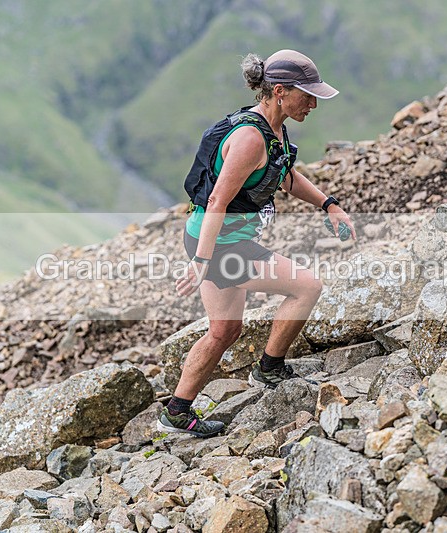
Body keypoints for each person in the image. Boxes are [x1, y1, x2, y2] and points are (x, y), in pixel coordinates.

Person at [158, 49, 356, 438]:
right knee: (306, 287)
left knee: (224, 331)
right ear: (279, 90)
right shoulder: (250, 138)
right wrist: (202, 261)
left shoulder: (274, 129)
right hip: (221, 245)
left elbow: (284, 175)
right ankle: (268, 369)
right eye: (307, 94)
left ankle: (177, 411)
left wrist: (328, 204)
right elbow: (217, 200)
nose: (313, 103)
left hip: (216, 238)